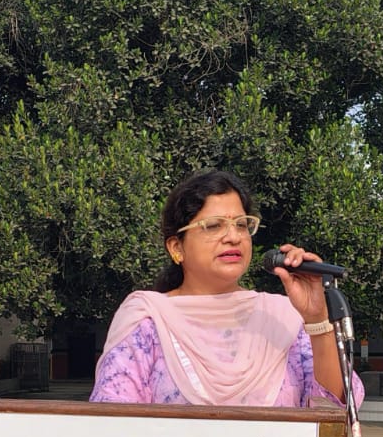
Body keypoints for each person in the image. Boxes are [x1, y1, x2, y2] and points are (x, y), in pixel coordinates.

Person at [90, 170, 365, 409]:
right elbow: (113, 424)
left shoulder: (282, 318)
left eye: (241, 225)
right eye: (213, 225)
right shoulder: (149, 320)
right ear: (176, 248)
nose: (233, 237)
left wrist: (317, 320)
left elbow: (332, 410)